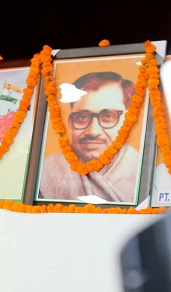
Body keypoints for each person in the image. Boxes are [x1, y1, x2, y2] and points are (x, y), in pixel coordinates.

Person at [38, 71, 139, 202]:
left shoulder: (140, 169)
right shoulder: (46, 172)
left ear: (126, 120)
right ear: (70, 122)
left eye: (108, 116)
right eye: (82, 117)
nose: (93, 131)